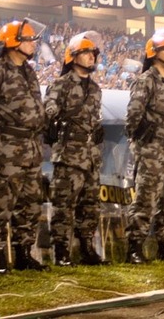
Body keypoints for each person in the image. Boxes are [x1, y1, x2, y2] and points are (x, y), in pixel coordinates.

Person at [0, 18, 48, 274]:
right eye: (28, 39)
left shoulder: (28, 70)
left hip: (31, 149)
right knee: (1, 205)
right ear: (13, 42)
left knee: (30, 204)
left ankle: (23, 252)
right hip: (6, 149)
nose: (33, 43)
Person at [124, 28, 164, 264]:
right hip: (151, 149)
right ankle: (134, 248)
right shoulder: (145, 80)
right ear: (154, 52)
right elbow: (133, 116)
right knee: (145, 200)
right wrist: (141, 141)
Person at [44, 31, 106, 266]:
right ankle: (61, 251)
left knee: (90, 204)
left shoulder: (96, 89)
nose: (92, 57)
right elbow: (49, 110)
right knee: (64, 205)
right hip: (69, 153)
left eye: (93, 53)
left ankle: (87, 248)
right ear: (73, 56)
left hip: (90, 155)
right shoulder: (61, 84)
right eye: (87, 53)